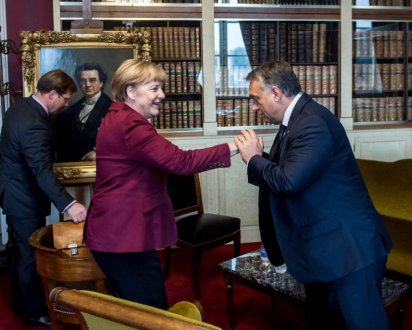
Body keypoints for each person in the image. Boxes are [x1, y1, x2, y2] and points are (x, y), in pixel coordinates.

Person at [234, 60, 393, 330]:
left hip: (348, 249)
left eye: (255, 99)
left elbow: (288, 181)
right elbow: (288, 173)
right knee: (324, 320)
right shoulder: (296, 120)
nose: (253, 107)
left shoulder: (312, 123)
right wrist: (258, 160)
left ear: (275, 93)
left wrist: (253, 159)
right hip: (323, 247)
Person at [84, 59, 238, 310]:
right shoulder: (131, 125)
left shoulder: (117, 116)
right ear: (131, 92)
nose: (162, 95)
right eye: (154, 88)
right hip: (122, 238)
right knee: (151, 312)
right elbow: (182, 162)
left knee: (133, 311)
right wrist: (234, 146)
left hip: (117, 234)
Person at [0, 69, 88, 326]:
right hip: (22, 197)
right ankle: (31, 310)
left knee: (20, 251)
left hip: (14, 191)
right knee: (29, 254)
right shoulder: (33, 123)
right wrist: (70, 204)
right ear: (52, 94)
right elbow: (40, 169)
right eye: (66, 99)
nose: (68, 104)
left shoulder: (23, 106)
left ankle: (21, 302)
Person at [55, 62, 112, 162]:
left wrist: (98, 152)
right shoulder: (69, 111)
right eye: (83, 80)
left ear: (101, 83)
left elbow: (120, 141)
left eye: (92, 80)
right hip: (71, 168)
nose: (87, 85)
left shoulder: (112, 108)